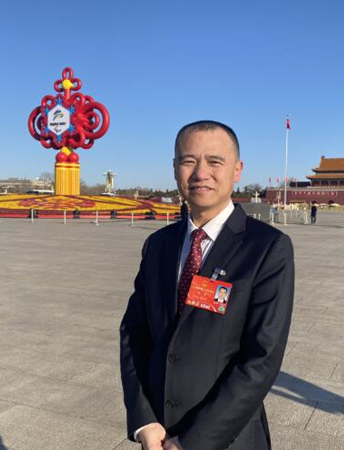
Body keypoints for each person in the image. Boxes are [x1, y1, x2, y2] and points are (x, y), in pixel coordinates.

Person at [120, 120, 294, 450]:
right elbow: (134, 331)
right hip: (157, 435)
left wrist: (192, 441)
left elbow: (262, 358)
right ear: (175, 168)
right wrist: (143, 420)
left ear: (237, 170)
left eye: (215, 161)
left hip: (227, 439)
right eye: (188, 161)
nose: (201, 173)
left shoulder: (267, 248)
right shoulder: (158, 245)